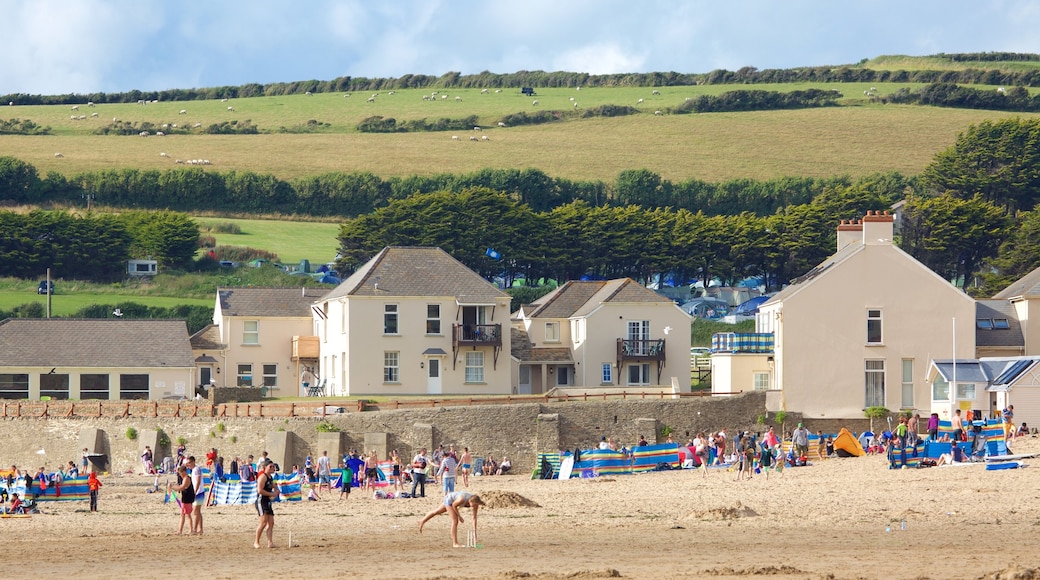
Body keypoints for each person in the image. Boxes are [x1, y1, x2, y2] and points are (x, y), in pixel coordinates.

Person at [418, 491, 486, 548]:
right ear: (469, 501)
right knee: (455, 520)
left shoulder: (476, 503)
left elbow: (474, 517)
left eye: (475, 505)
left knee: (437, 511)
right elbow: (454, 505)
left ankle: (422, 521)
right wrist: (459, 516)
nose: (474, 506)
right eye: (473, 505)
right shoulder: (462, 499)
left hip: (451, 499)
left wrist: (474, 531)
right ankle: (455, 543)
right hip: (449, 500)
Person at [254, 459, 279, 548]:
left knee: (271, 522)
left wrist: (276, 489)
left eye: (273, 466)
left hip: (267, 501)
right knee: (263, 522)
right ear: (265, 468)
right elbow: (260, 490)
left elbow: (272, 485)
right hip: (261, 501)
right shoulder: (262, 477)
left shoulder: (270, 477)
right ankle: (256, 542)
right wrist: (271, 494)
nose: (273, 468)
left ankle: (270, 542)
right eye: (270, 466)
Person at [172, 465, 194, 534]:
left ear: (183, 472)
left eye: (181, 473)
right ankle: (180, 530)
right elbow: (180, 487)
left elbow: (181, 487)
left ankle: (191, 530)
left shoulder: (186, 479)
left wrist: (172, 487)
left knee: (187, 515)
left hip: (187, 499)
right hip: (184, 499)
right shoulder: (185, 478)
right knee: (182, 514)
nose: (180, 475)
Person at [186, 456, 205, 535]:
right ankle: (200, 529)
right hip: (199, 492)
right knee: (198, 512)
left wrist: (195, 491)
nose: (188, 465)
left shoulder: (196, 469)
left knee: (196, 512)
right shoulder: (194, 470)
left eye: (189, 463)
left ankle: (194, 529)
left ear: (193, 462)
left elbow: (198, 481)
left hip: (199, 492)